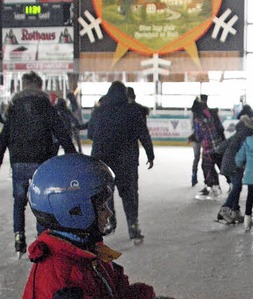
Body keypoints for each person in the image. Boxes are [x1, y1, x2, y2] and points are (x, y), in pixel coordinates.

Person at [23, 154, 157, 299]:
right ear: (73, 211)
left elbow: (117, 290)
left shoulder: (86, 250)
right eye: (101, 208)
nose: (109, 212)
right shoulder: (61, 282)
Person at [0, 71, 77, 258]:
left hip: (18, 162)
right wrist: (71, 154)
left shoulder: (14, 107)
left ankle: (19, 237)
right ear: (40, 86)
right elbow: (60, 130)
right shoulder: (45, 105)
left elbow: (5, 135)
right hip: (41, 161)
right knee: (40, 201)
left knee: (19, 201)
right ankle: (41, 240)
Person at [87, 81, 154, 244]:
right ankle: (133, 225)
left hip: (103, 160)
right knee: (129, 194)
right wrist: (150, 154)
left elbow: (90, 134)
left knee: (106, 191)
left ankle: (110, 221)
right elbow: (143, 134)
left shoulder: (99, 111)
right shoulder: (132, 110)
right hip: (126, 160)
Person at [215, 115, 253, 224]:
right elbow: (245, 151)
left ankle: (235, 210)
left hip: (228, 163)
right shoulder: (246, 135)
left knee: (237, 186)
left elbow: (220, 148)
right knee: (237, 187)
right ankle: (225, 209)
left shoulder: (237, 134)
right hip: (235, 165)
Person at [192, 99, 226, 199]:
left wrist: (194, 137)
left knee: (207, 166)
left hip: (209, 147)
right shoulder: (212, 115)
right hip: (219, 144)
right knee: (220, 165)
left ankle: (213, 187)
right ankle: (230, 183)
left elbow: (199, 136)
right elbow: (219, 128)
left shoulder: (198, 120)